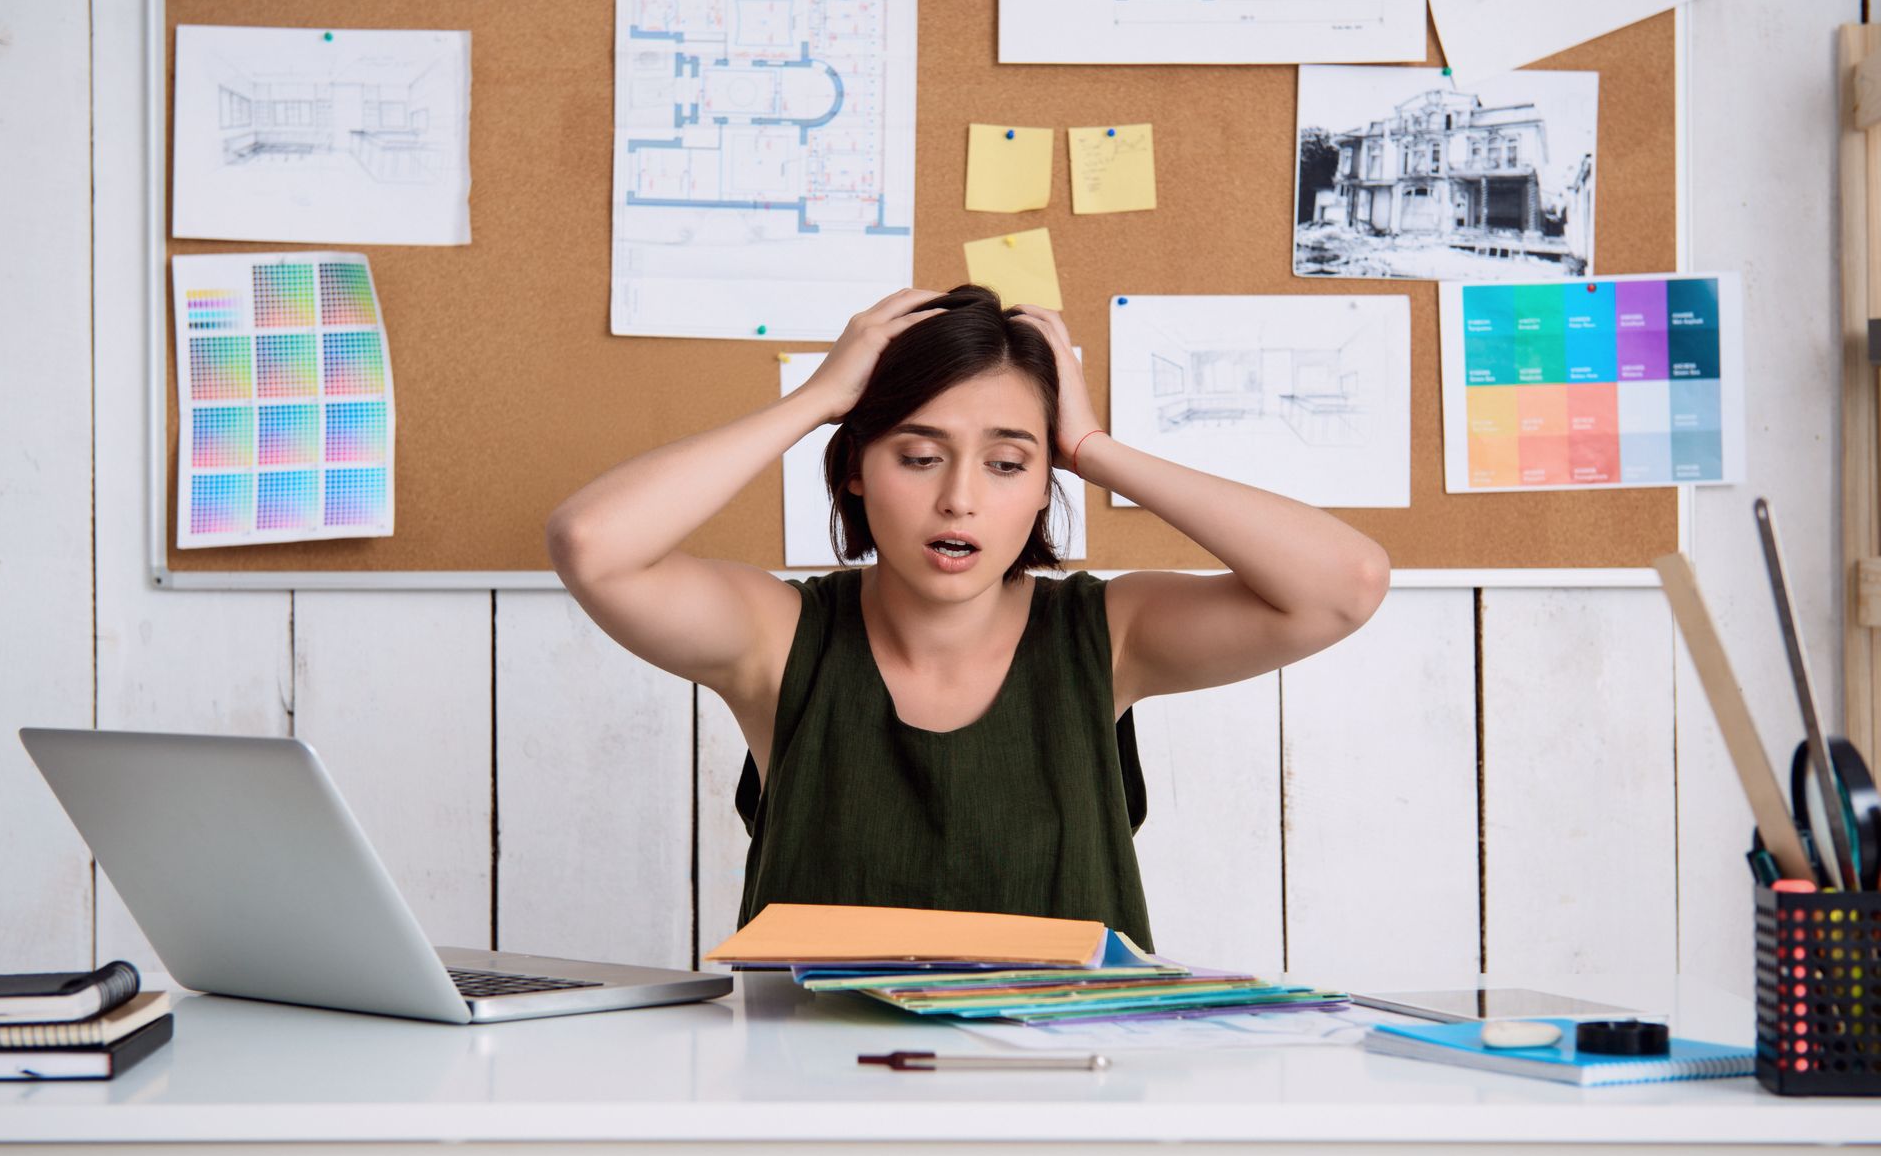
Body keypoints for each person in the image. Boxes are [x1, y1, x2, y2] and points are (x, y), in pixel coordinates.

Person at [547, 286, 1389, 950]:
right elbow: (593, 543)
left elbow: (1345, 582)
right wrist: (816, 399)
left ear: (1043, 478)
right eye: (918, 456)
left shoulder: (1108, 633)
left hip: (1067, 1105)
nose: (959, 497)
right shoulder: (780, 638)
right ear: (854, 471)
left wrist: (1094, 446)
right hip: (819, 1106)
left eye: (1007, 461)